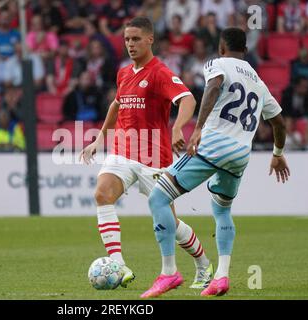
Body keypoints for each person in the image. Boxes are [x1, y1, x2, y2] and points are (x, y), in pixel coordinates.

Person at [143, 27, 290, 298]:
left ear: (221, 47)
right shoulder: (258, 81)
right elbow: (279, 122)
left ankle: (169, 272)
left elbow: (213, 86)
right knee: (221, 210)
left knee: (158, 198)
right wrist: (278, 153)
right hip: (240, 155)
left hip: (214, 145)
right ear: (245, 50)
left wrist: (197, 128)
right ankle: (221, 277)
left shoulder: (217, 63)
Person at [79, 17, 213, 290]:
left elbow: (188, 99)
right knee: (102, 194)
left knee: (170, 223)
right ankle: (119, 265)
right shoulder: (124, 73)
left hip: (154, 157)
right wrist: (100, 137)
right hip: (122, 151)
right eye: (127, 39)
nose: (130, 44)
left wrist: (178, 128)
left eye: (136, 39)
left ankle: (203, 263)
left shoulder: (160, 72)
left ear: (150, 39)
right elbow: (117, 105)